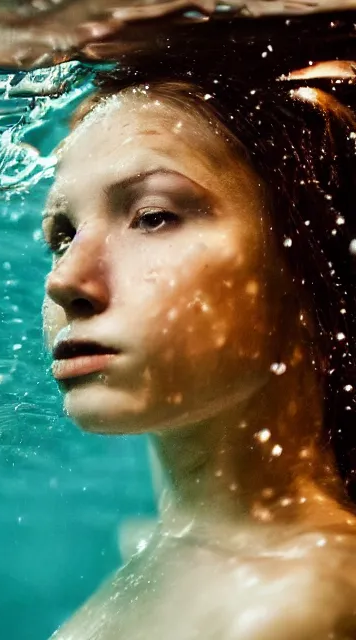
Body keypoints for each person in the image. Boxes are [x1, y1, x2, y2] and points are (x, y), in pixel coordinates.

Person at [41, 18, 356, 639]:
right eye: (62, 235)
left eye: (153, 217)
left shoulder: (292, 606)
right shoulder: (176, 552)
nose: (67, 279)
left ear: (303, 254)